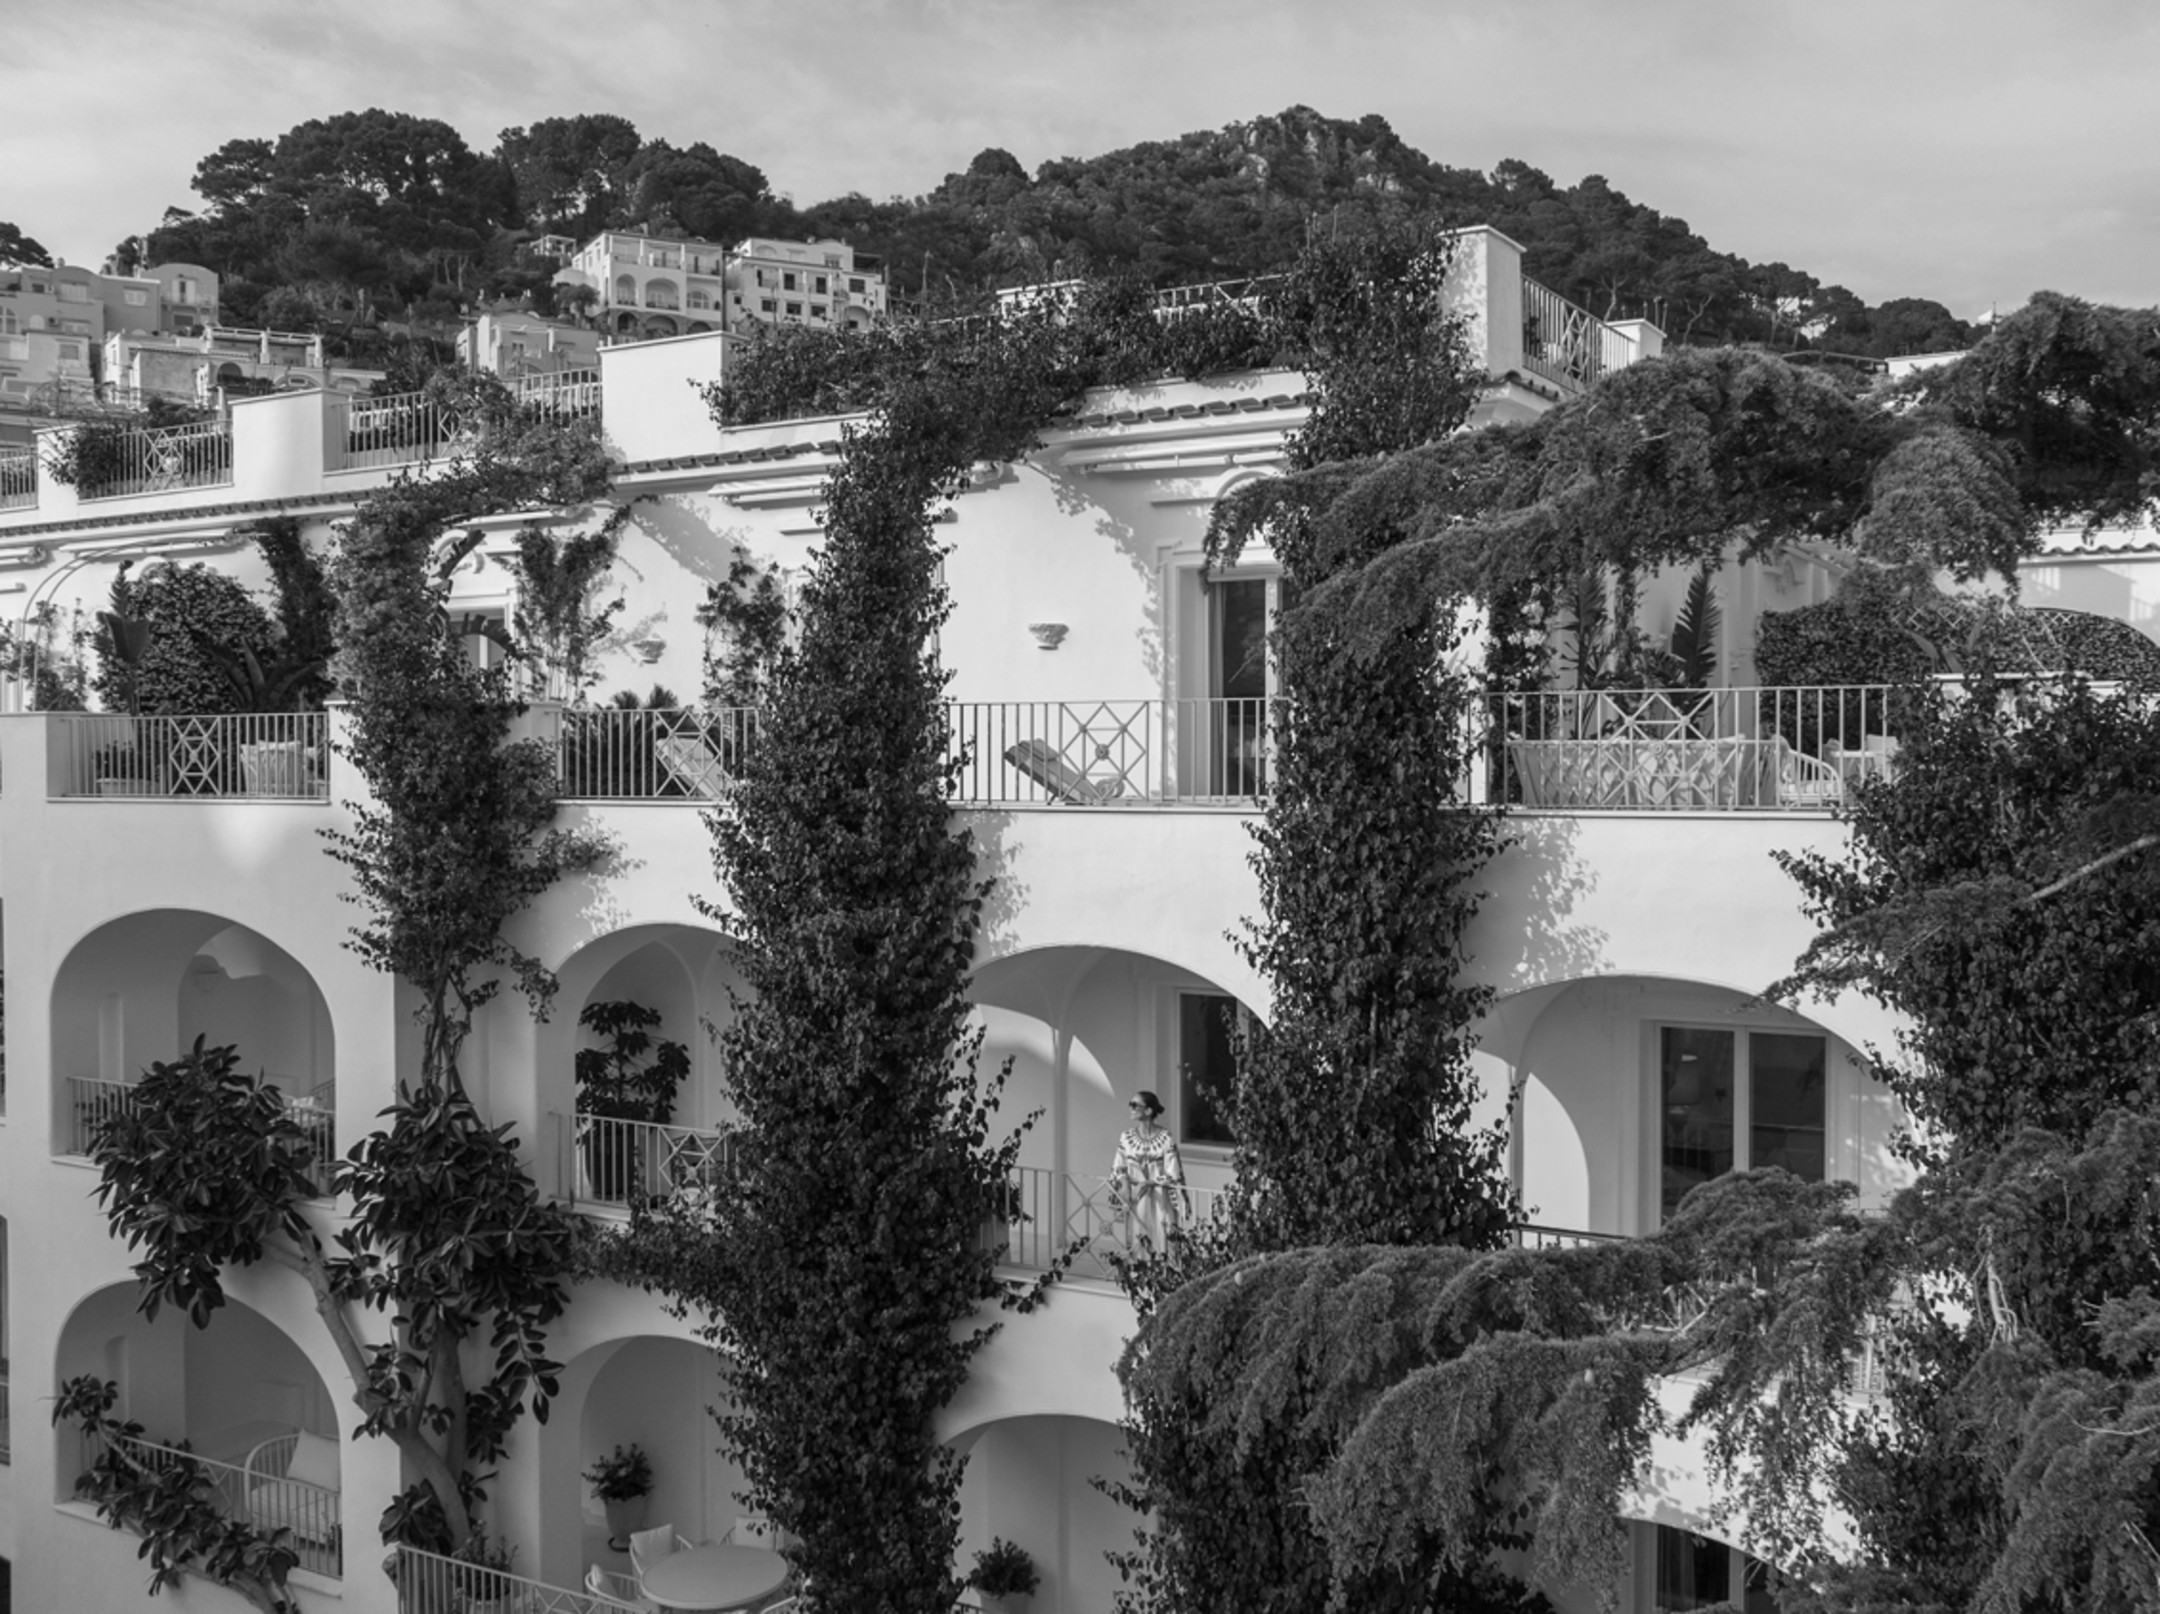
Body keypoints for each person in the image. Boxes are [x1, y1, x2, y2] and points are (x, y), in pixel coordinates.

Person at [1110, 1090, 1187, 1245]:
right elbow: (1119, 1166)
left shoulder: (1166, 1137)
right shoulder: (1126, 1137)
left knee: (1161, 1239)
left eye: (1134, 1105)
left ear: (1148, 1111)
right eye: (1130, 1104)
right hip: (1135, 1198)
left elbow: (1173, 1173)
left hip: (1160, 1199)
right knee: (1137, 1240)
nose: (1130, 1108)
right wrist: (1124, 1183)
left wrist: (1148, 1183)